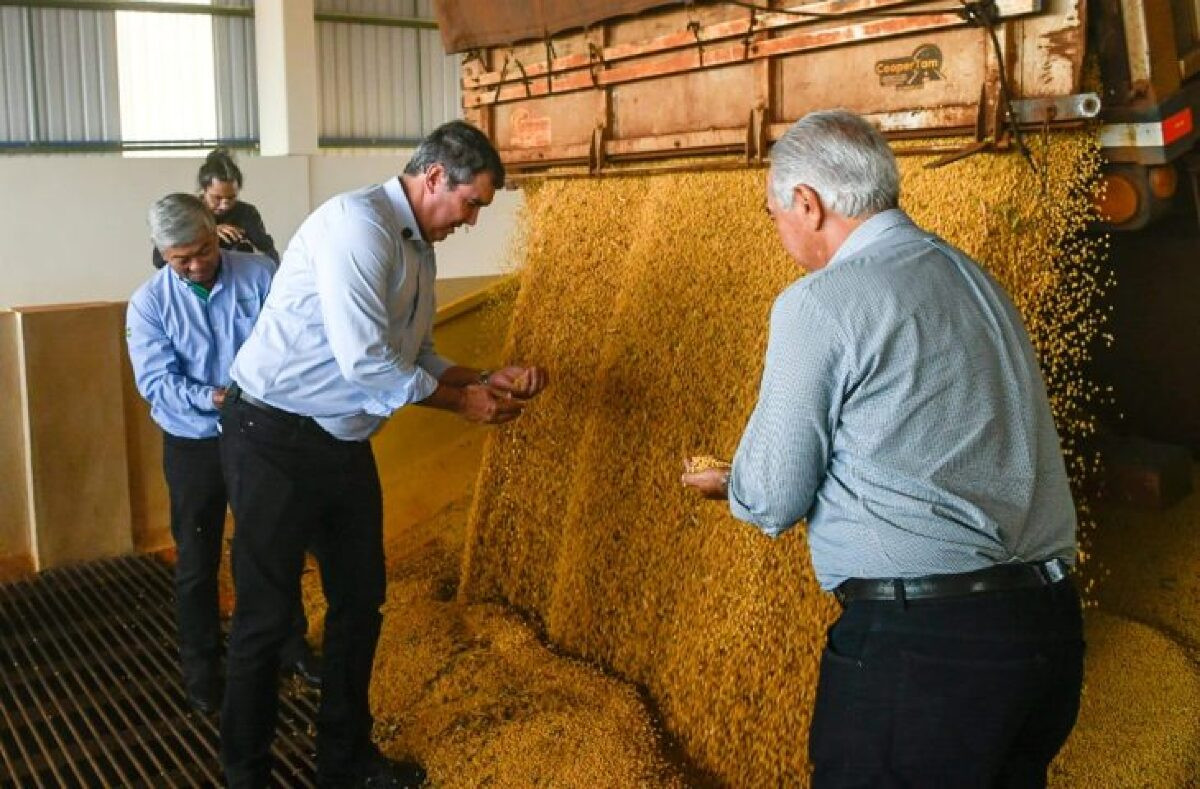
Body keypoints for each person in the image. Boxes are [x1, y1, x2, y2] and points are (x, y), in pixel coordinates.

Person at [682, 109, 1083, 787]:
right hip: (1047, 634)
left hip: (927, 652)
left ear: (807, 204)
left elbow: (775, 494)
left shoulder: (819, 301)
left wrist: (735, 485)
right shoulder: (976, 280)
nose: (780, 233)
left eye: (775, 215)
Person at [219, 119, 548, 788]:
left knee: (360, 600)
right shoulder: (357, 227)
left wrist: (481, 377)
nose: (473, 219)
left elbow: (414, 354)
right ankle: (245, 774)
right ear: (435, 178)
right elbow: (367, 361)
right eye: (472, 203)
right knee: (264, 615)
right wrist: (461, 405)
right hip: (274, 436)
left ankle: (343, 760)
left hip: (338, 440)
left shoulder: (418, 246)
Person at [127, 194, 319, 717]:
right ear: (161, 253)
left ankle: (290, 643)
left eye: (204, 249)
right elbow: (156, 381)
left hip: (260, 432)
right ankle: (203, 669)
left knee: (273, 543)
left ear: (218, 231)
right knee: (197, 560)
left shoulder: (260, 275)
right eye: (180, 258)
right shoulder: (148, 304)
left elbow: (292, 339)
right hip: (193, 441)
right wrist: (215, 397)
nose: (196, 264)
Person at [152, 147, 279, 269]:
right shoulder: (186, 213)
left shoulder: (246, 213)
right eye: (217, 198)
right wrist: (207, 233)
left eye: (231, 198)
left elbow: (270, 254)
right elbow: (158, 260)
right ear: (204, 190)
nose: (224, 205)